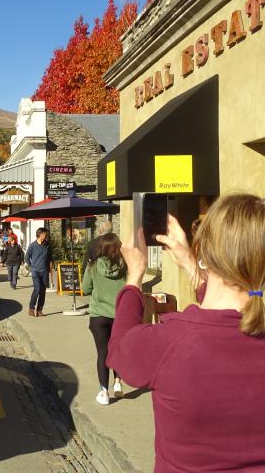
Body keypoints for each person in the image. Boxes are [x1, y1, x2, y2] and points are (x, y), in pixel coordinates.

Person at [107, 194, 265, 472]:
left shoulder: (173, 340)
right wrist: (191, 265)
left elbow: (120, 348)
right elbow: (233, 305)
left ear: (205, 252)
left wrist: (134, 276)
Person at [81, 233, 127, 405]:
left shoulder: (93, 266)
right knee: (117, 349)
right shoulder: (124, 266)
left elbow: (85, 289)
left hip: (99, 315)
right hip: (119, 315)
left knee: (103, 353)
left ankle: (104, 392)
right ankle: (117, 383)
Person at [25, 227, 52, 317]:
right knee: (37, 289)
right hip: (35, 271)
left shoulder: (47, 245)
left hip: (44, 271)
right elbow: (26, 257)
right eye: (45, 234)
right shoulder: (32, 245)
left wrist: (50, 265)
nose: (46, 235)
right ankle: (31, 308)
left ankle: (39, 310)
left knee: (43, 291)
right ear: (40, 234)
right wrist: (31, 267)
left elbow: (50, 256)